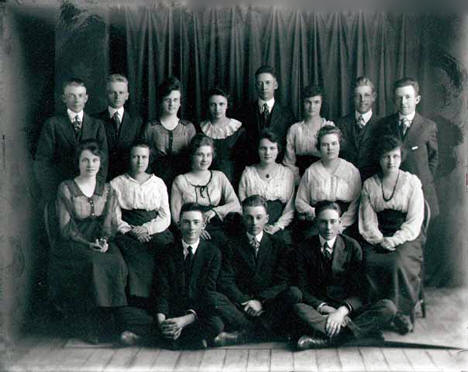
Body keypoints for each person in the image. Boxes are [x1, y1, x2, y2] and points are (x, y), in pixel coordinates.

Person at [48, 140, 127, 344]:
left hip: (101, 238)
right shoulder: (66, 187)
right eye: (85, 160)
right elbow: (66, 226)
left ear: (100, 162)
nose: (90, 165)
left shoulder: (108, 189)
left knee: (116, 261)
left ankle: (111, 324)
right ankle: (90, 326)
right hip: (73, 242)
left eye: (94, 160)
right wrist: (87, 243)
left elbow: (110, 220)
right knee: (94, 264)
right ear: (78, 162)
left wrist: (105, 241)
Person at [117, 203, 224, 349]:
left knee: (216, 323)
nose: (191, 227)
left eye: (196, 222)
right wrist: (162, 321)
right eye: (186, 222)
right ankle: (188, 340)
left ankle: (147, 339)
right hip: (171, 311)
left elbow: (208, 292)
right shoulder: (167, 252)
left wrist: (184, 320)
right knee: (124, 314)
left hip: (194, 314)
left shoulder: (213, 253)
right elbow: (162, 290)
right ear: (179, 225)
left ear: (203, 225)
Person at [292, 201, 396, 349]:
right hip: (321, 312)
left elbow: (361, 289)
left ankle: (327, 340)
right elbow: (302, 288)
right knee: (297, 308)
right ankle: (352, 333)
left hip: (348, 309)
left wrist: (341, 312)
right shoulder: (304, 248)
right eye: (323, 222)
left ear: (340, 222)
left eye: (333, 222)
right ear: (316, 222)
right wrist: (327, 309)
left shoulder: (352, 246)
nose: (328, 227)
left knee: (388, 307)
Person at [211, 195, 301, 346]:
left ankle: (247, 334)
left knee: (294, 293)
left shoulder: (278, 245)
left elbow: (283, 281)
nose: (254, 223)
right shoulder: (231, 245)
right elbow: (226, 280)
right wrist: (245, 301)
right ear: (243, 218)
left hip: (269, 306)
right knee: (213, 296)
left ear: (266, 218)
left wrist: (260, 301)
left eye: (258, 217)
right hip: (241, 307)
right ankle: (263, 331)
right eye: (249, 218)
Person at [359, 135, 424, 335]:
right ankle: (377, 315)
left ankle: (399, 315)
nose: (391, 161)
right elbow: (367, 220)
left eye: (395, 156)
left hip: (406, 237)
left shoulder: (411, 183)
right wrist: (379, 239)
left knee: (396, 262)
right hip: (377, 235)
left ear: (401, 157)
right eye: (386, 157)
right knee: (368, 261)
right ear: (379, 159)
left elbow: (414, 222)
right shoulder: (370, 185)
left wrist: (394, 239)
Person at [111, 142, 173, 301]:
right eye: (135, 157)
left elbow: (165, 216)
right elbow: (114, 216)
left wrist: (146, 229)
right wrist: (131, 231)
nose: (140, 161)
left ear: (149, 159)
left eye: (144, 157)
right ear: (129, 158)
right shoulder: (116, 183)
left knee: (164, 249)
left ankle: (162, 299)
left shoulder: (158, 183)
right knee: (133, 254)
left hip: (155, 229)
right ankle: (138, 300)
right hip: (127, 230)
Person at [34, 78, 108, 203]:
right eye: (71, 96)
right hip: (62, 190)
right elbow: (42, 162)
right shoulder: (53, 124)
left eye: (80, 95)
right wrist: (52, 192)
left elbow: (104, 160)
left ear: (86, 98)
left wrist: (96, 190)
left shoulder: (96, 125)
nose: (76, 100)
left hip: (90, 191)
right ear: (64, 98)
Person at [376, 77, 439, 218]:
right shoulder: (385, 124)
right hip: (392, 192)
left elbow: (433, 159)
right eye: (399, 98)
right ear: (394, 100)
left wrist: (422, 180)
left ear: (417, 99)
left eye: (408, 97)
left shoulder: (428, 126)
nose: (403, 102)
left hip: (421, 191)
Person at [171, 134, 241, 241]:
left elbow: (235, 204)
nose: (205, 159)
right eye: (200, 154)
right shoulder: (180, 180)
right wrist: (194, 230)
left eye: (208, 155)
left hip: (218, 226)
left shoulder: (219, 176)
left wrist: (215, 211)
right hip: (190, 230)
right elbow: (176, 216)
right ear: (192, 155)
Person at [295, 125, 361, 237]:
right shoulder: (311, 171)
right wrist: (315, 213)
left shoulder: (351, 171)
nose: (330, 148)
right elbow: (300, 201)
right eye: (325, 145)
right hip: (319, 223)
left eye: (334, 144)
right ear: (319, 147)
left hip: (344, 223)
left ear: (340, 145)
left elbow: (356, 203)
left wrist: (341, 224)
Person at [238, 129, 295, 243]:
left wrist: (277, 226)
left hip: (278, 226)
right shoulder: (248, 173)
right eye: (263, 148)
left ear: (278, 150)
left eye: (272, 148)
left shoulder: (287, 173)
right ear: (258, 150)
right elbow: (241, 203)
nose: (267, 153)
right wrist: (256, 225)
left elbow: (290, 207)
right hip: (252, 225)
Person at [236, 65, 295, 165]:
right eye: (260, 83)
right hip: (251, 167)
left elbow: (289, 146)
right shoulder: (244, 113)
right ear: (255, 86)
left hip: (279, 169)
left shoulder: (287, 114)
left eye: (268, 83)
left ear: (275, 85)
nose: (264, 87)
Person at [143, 77, 196, 187]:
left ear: (180, 102)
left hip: (183, 182)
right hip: (156, 181)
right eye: (167, 100)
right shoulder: (151, 127)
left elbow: (194, 158)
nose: (172, 104)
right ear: (161, 101)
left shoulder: (188, 128)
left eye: (175, 100)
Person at [94, 74, 144, 180]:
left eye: (121, 93)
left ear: (127, 95)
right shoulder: (96, 121)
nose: (117, 97)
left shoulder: (136, 122)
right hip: (102, 179)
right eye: (113, 93)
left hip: (128, 179)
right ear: (106, 94)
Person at [283, 84, 334, 183]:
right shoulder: (294, 129)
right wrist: (300, 182)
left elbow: (333, 159)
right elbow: (289, 162)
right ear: (303, 103)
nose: (312, 107)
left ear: (321, 103)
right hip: (299, 180)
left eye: (316, 102)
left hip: (323, 179)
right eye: (308, 102)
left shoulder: (328, 127)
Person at [336, 76, 380, 181]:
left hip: (373, 182)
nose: (362, 100)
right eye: (358, 96)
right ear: (353, 98)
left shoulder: (382, 124)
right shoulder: (341, 123)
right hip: (346, 181)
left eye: (366, 95)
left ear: (373, 97)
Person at [200, 88, 246, 185]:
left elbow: (242, 161)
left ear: (227, 105)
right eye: (213, 104)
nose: (217, 109)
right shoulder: (201, 129)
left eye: (221, 104)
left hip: (232, 179)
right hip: (206, 180)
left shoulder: (238, 129)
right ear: (208, 106)